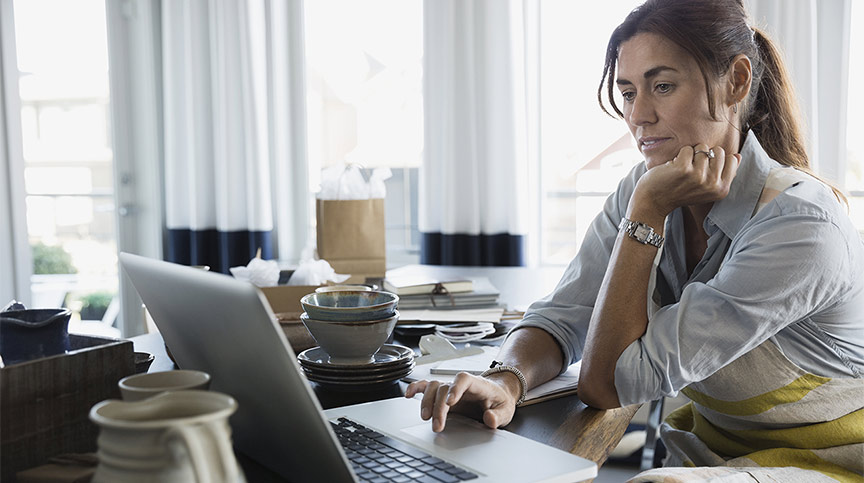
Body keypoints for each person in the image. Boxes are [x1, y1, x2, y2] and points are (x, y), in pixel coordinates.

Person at [406, 0, 864, 480]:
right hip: (713, 455)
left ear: (737, 82)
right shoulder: (644, 187)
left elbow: (606, 384)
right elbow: (565, 314)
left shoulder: (799, 226)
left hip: (832, 461)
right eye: (627, 92)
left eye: (662, 86)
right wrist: (505, 379)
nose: (638, 116)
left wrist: (646, 213)